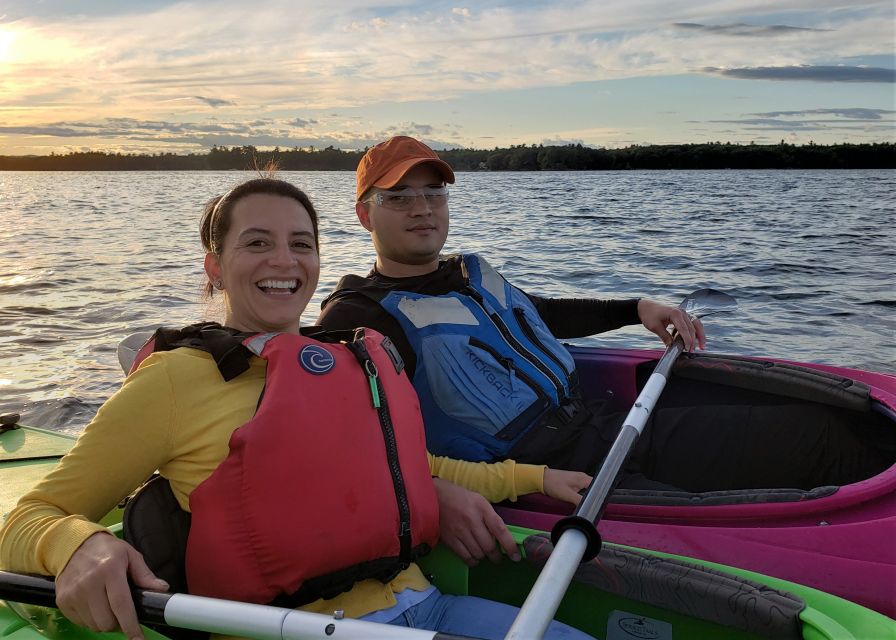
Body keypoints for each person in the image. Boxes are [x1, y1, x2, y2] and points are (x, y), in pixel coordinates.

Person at [0, 176, 595, 640]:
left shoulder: (351, 359)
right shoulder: (178, 379)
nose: (283, 261)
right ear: (214, 265)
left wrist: (536, 479)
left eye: (300, 244)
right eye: (256, 243)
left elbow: (417, 467)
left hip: (428, 603)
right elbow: (28, 518)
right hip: (291, 628)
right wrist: (80, 544)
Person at [317, 135, 703, 474]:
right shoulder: (357, 317)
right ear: (365, 215)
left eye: (434, 193)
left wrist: (635, 309)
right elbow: (353, 451)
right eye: (398, 197)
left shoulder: (469, 274)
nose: (422, 208)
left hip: (598, 430)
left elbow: (541, 315)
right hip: (544, 478)